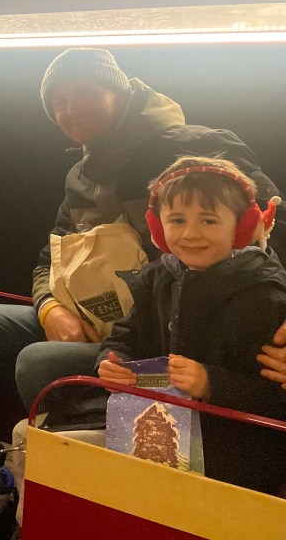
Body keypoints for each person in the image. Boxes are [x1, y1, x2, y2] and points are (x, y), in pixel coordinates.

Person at [0, 47, 282, 411]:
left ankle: (106, 426)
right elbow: (48, 259)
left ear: (120, 92)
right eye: (59, 101)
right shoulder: (80, 178)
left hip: (179, 333)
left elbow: (275, 221)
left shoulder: (197, 146)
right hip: (118, 326)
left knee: (38, 362)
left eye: (85, 92)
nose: (71, 110)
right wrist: (51, 308)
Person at [98, 156, 286, 494]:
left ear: (243, 228)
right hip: (162, 429)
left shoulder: (266, 299)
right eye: (177, 220)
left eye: (209, 220)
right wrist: (111, 360)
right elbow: (126, 334)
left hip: (236, 448)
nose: (190, 234)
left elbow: (276, 399)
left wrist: (212, 383)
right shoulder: (159, 277)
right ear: (157, 228)